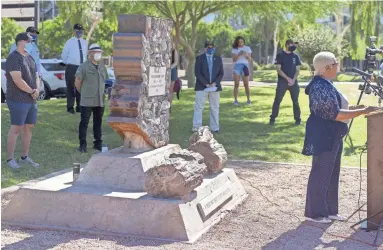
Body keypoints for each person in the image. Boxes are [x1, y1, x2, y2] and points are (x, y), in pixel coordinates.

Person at [302, 51, 380, 223]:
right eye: (336, 63)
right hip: (324, 134)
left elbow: (337, 107)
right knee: (321, 172)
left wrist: (356, 108)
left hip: (333, 134)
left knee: (332, 172)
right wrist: (362, 112)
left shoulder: (326, 83)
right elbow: (335, 114)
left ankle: (330, 210)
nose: (338, 66)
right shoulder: (320, 86)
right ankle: (315, 213)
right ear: (326, 67)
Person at [5, 32, 41, 169]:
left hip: (31, 99)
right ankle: (10, 159)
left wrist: (37, 90)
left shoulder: (30, 58)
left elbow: (36, 76)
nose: (31, 44)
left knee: (29, 127)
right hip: (17, 98)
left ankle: (24, 157)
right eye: (29, 41)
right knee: (17, 127)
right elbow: (17, 80)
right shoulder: (13, 58)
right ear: (21, 42)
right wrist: (32, 91)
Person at [75, 44, 107, 153]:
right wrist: (83, 93)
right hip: (87, 99)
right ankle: (82, 145)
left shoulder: (102, 65)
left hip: (100, 99)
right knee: (84, 122)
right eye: (96, 52)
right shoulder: (83, 66)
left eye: (100, 52)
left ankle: (98, 143)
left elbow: (104, 81)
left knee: (98, 122)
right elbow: (77, 82)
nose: (99, 54)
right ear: (90, 54)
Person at [192, 41, 224, 133]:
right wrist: (206, 84)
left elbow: (221, 73)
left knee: (215, 107)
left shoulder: (218, 59)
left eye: (212, 47)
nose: (211, 49)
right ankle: (196, 127)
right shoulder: (199, 58)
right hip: (202, 87)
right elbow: (197, 73)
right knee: (199, 107)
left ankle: (215, 128)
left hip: (215, 87)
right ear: (205, 49)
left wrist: (215, 83)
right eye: (209, 47)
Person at [270, 39, 302, 125]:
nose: (293, 47)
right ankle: (272, 119)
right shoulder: (280, 55)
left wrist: (293, 80)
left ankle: (298, 120)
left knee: (295, 101)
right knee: (277, 100)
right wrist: (288, 79)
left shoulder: (296, 56)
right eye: (292, 45)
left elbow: (297, 70)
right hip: (282, 82)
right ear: (287, 45)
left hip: (293, 83)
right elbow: (278, 70)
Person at [62, 24, 88, 114]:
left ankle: (79, 107)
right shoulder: (69, 42)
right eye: (78, 30)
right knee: (70, 87)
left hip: (82, 67)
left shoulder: (85, 42)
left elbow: (86, 55)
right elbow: (64, 56)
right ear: (74, 31)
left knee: (80, 88)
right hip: (71, 67)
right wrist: (69, 64)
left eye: (81, 30)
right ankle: (70, 108)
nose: (80, 32)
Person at [232, 36, 252, 105]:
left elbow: (249, 59)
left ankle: (248, 100)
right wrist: (239, 55)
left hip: (245, 66)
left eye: (242, 42)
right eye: (239, 42)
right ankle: (235, 100)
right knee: (236, 84)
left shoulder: (247, 48)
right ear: (237, 42)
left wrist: (246, 55)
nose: (241, 43)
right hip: (237, 66)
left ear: (243, 41)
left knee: (246, 84)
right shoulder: (235, 49)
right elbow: (234, 60)